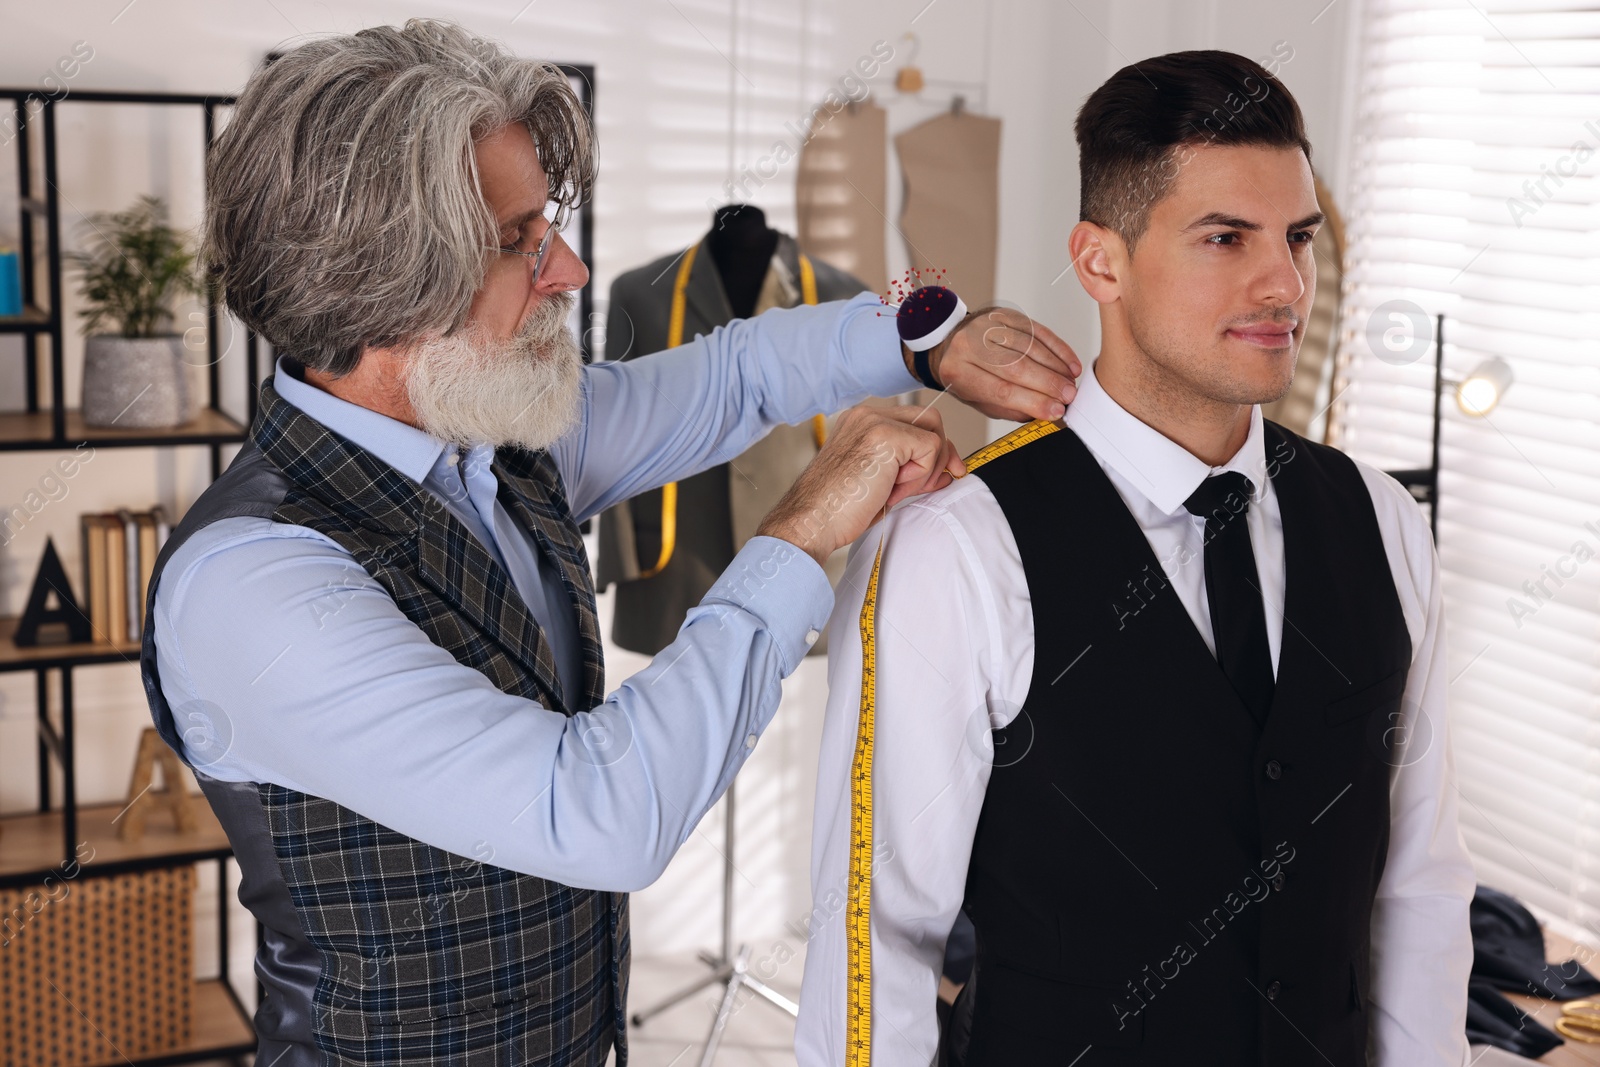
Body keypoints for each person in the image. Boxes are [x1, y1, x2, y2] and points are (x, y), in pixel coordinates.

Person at [137, 19, 1080, 1066]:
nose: (573, 270)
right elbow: (601, 811)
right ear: (374, 276)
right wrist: (805, 526)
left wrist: (928, 339)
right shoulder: (252, 585)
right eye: (516, 241)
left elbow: (736, 378)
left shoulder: (491, 432)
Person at [798, 50, 1474, 1067]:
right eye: (1223, 237)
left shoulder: (1378, 519)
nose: (1284, 282)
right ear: (1099, 261)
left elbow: (1417, 885)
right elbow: (878, 939)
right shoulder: (960, 546)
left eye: (1296, 236)